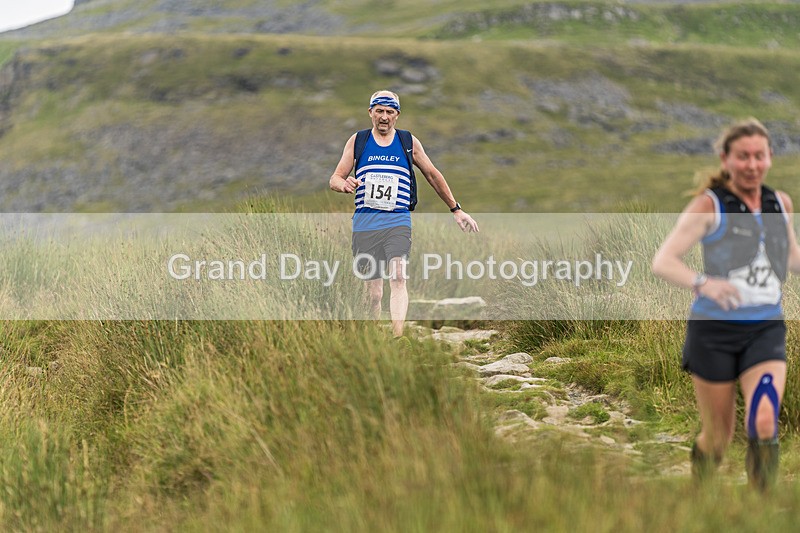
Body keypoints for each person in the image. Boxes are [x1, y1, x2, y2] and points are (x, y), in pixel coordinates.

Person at [652, 118, 800, 490]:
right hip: (713, 333)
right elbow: (663, 261)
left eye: (759, 156)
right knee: (717, 439)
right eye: (743, 156)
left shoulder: (780, 203)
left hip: (765, 330)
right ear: (726, 159)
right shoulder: (709, 205)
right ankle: (699, 496)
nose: (752, 164)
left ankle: (761, 513)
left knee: (764, 420)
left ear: (769, 158)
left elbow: (792, 259)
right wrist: (704, 283)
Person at [329, 90, 479, 337]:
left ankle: (398, 337)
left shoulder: (408, 142)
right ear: (370, 113)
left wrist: (456, 209)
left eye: (389, 112)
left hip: (398, 221)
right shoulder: (359, 141)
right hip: (365, 224)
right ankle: (373, 337)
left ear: (397, 115)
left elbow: (432, 174)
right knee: (373, 294)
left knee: (398, 277)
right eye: (379, 111)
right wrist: (343, 184)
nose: (384, 117)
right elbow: (335, 177)